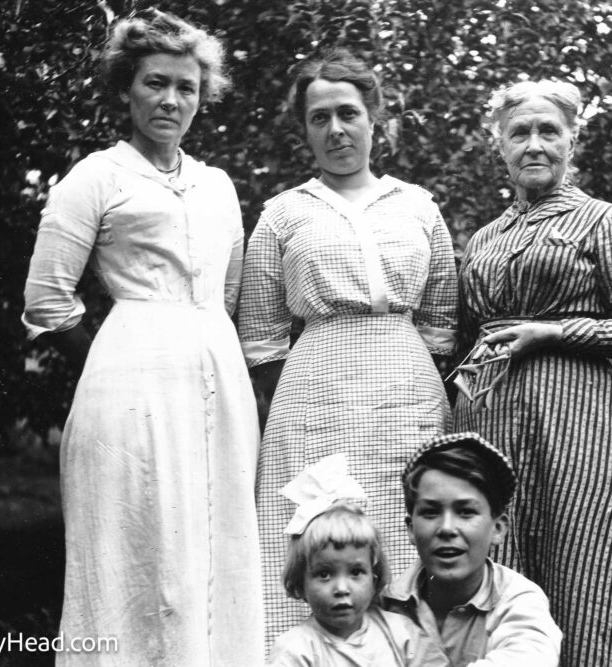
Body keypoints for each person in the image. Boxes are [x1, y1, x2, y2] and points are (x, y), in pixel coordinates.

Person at [21, 10, 263, 664]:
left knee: (215, 545)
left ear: (201, 99)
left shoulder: (218, 186)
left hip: (217, 381)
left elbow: (229, 292)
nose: (170, 100)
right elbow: (46, 300)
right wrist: (119, 359)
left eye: (186, 88)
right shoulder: (95, 177)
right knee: (136, 547)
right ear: (127, 87)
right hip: (127, 387)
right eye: (155, 83)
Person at [450, 80, 612, 665]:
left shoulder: (605, 222)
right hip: (493, 423)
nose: (534, 144)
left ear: (571, 141)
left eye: (548, 131)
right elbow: (473, 330)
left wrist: (554, 332)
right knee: (504, 566)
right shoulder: (484, 238)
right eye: (519, 132)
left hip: (577, 421)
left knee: (586, 563)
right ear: (498, 145)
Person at [237, 47, 458, 643]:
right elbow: (260, 336)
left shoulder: (417, 207)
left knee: (407, 532)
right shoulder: (284, 215)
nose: (335, 130)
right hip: (316, 396)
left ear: (374, 117)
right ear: (304, 130)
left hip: (406, 393)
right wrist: (303, 403)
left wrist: (408, 384)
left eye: (348, 113)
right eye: (319, 118)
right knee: (319, 536)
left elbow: (440, 321)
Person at [382, 431, 562, 666]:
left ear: (497, 528)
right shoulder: (386, 603)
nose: (447, 528)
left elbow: (531, 656)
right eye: (430, 512)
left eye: (466, 511)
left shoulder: (518, 600)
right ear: (411, 529)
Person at [268, 454, 448, 666]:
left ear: (374, 577)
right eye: (324, 574)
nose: (342, 588)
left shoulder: (401, 633)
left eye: (355, 572)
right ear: (300, 582)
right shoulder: (296, 650)